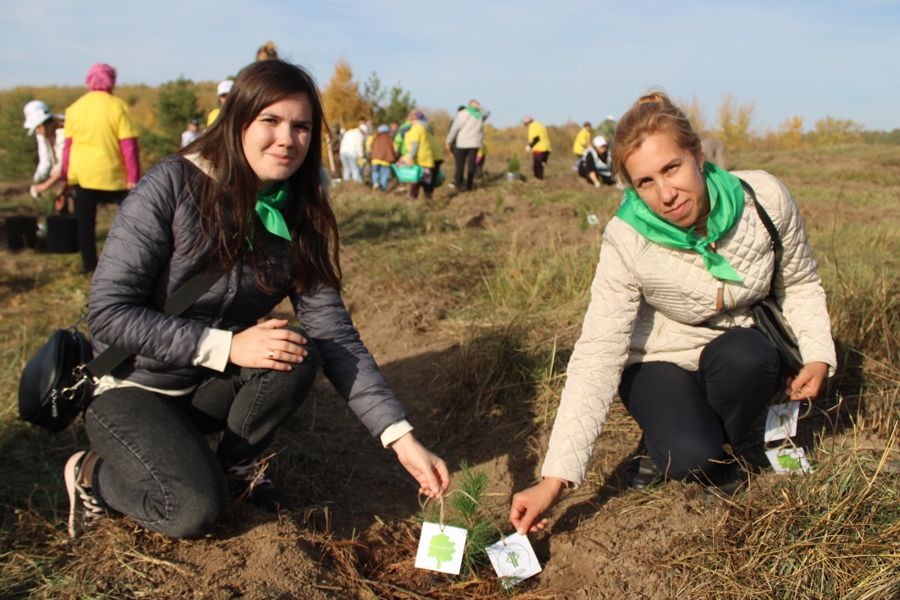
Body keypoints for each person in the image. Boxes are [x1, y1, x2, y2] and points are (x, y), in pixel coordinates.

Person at [63, 59, 451, 541]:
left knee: (301, 348)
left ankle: (236, 464)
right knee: (192, 509)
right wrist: (226, 347)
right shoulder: (169, 186)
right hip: (131, 387)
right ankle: (90, 474)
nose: (287, 138)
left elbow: (335, 336)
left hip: (202, 388)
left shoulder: (299, 215)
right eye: (271, 121)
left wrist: (401, 438)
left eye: (302, 126)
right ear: (238, 122)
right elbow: (109, 314)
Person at [509, 91, 836, 536]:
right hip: (658, 360)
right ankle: (679, 441)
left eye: (671, 168)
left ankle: (713, 443)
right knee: (688, 456)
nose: (665, 194)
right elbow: (598, 353)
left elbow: (798, 283)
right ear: (630, 187)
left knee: (750, 357)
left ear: (698, 154)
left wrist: (818, 354)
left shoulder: (765, 201)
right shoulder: (626, 240)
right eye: (645, 182)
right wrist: (554, 480)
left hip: (736, 350)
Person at [61, 63, 140, 273]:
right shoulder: (118, 106)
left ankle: (89, 265)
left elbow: (67, 147)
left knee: (85, 224)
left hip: (83, 175)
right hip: (114, 175)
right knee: (132, 222)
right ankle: (130, 263)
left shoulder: (74, 108)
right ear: (112, 81)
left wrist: (65, 178)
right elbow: (129, 145)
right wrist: (134, 176)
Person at [23, 100, 66, 200]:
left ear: (42, 125)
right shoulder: (43, 133)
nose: (37, 132)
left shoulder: (63, 132)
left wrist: (44, 186)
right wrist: (37, 181)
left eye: (37, 128)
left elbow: (65, 166)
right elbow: (45, 161)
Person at [445, 99, 489, 192]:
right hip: (471, 143)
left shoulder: (475, 115)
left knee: (464, 165)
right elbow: (487, 113)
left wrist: (449, 139)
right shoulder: (477, 115)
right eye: (476, 105)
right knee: (467, 165)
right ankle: (465, 185)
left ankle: (461, 185)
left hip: (465, 143)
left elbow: (454, 128)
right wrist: (449, 139)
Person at [400, 110, 439, 200]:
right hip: (427, 159)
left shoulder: (416, 128)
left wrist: (409, 158)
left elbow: (415, 144)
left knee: (416, 179)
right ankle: (428, 200)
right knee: (426, 181)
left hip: (420, 159)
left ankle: (412, 198)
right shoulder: (424, 128)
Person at [339, 116, 367, 183]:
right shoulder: (360, 135)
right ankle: (357, 184)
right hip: (352, 153)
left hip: (342, 152)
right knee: (355, 169)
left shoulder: (349, 131)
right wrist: (361, 156)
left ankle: (346, 184)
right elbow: (359, 147)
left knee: (346, 169)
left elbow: (343, 141)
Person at [370, 124, 396, 191]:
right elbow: (396, 148)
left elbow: (368, 143)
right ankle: (382, 189)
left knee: (375, 171)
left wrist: (370, 151)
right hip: (387, 159)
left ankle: (375, 183)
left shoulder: (375, 137)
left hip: (375, 158)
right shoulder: (390, 138)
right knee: (385, 175)